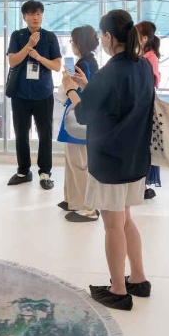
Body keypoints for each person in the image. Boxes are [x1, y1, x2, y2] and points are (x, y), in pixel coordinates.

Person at [63, 9, 155, 310]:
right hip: (135, 158)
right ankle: (138, 278)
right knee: (126, 219)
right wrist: (87, 87)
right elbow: (120, 101)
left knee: (113, 225)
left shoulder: (109, 72)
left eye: (102, 35)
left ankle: (118, 289)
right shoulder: (142, 66)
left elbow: (84, 115)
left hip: (110, 161)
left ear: (108, 36)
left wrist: (71, 90)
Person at [7, 0, 62, 190]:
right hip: (20, 94)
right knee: (21, 133)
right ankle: (23, 171)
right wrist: (29, 45)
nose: (35, 17)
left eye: (38, 14)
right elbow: (12, 61)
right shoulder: (17, 36)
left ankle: (45, 173)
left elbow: (57, 66)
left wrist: (39, 57)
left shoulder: (50, 37)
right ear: (24, 17)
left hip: (43, 93)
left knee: (45, 134)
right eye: (31, 14)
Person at [58, 25, 100, 222]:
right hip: (81, 117)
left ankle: (86, 206)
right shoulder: (91, 62)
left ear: (79, 43)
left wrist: (66, 83)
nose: (72, 44)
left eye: (73, 41)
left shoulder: (83, 65)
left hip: (79, 119)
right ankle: (73, 200)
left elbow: (67, 93)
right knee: (74, 161)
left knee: (78, 163)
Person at [136, 21, 162, 199]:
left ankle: (142, 184)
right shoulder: (146, 56)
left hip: (144, 107)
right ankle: (141, 184)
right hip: (143, 106)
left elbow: (148, 84)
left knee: (144, 147)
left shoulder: (148, 58)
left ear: (144, 38)